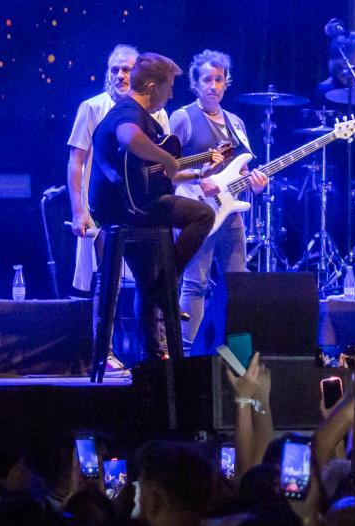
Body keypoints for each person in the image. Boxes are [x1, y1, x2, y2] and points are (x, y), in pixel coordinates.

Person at [87, 53, 215, 363]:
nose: (171, 94)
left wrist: (194, 173)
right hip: (125, 209)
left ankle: (154, 355)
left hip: (130, 204)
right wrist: (167, 157)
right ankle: (166, 285)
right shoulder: (129, 113)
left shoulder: (144, 117)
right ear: (154, 86)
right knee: (203, 214)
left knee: (147, 276)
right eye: (169, 87)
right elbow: (129, 139)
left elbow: (155, 173)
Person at [168, 50, 269, 348]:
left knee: (238, 281)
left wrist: (256, 185)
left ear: (227, 82)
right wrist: (201, 176)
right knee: (196, 282)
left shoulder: (236, 122)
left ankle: (236, 350)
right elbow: (167, 168)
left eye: (219, 79)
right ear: (195, 84)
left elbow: (243, 168)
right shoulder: (183, 117)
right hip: (195, 209)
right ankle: (191, 351)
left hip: (230, 213)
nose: (213, 85)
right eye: (207, 80)